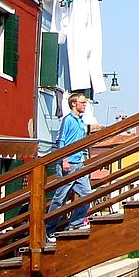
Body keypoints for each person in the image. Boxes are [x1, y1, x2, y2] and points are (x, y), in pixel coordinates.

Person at [45, 92, 93, 243]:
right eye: (82, 102)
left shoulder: (81, 121)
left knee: (87, 194)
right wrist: (64, 160)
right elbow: (61, 141)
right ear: (74, 104)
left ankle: (75, 223)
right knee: (60, 198)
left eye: (85, 102)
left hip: (79, 163)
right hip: (68, 164)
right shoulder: (68, 120)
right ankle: (49, 229)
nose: (85, 105)